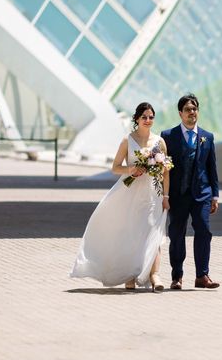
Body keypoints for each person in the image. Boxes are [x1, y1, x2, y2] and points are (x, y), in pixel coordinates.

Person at [70, 102, 169, 292]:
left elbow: (166, 172)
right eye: (144, 117)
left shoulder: (160, 142)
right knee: (132, 232)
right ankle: (130, 275)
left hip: (152, 194)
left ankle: (155, 275)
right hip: (130, 193)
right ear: (137, 119)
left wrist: (166, 195)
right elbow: (115, 167)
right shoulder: (127, 141)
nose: (148, 120)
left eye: (151, 117)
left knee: (154, 232)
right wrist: (132, 169)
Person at [161, 94, 220, 290]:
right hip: (177, 195)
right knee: (176, 234)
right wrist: (164, 195)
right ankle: (177, 276)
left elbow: (212, 168)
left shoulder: (207, 137)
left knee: (204, 230)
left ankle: (202, 275)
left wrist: (215, 195)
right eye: (187, 109)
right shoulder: (168, 136)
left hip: (202, 193)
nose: (191, 113)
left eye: (194, 109)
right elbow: (162, 168)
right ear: (180, 113)